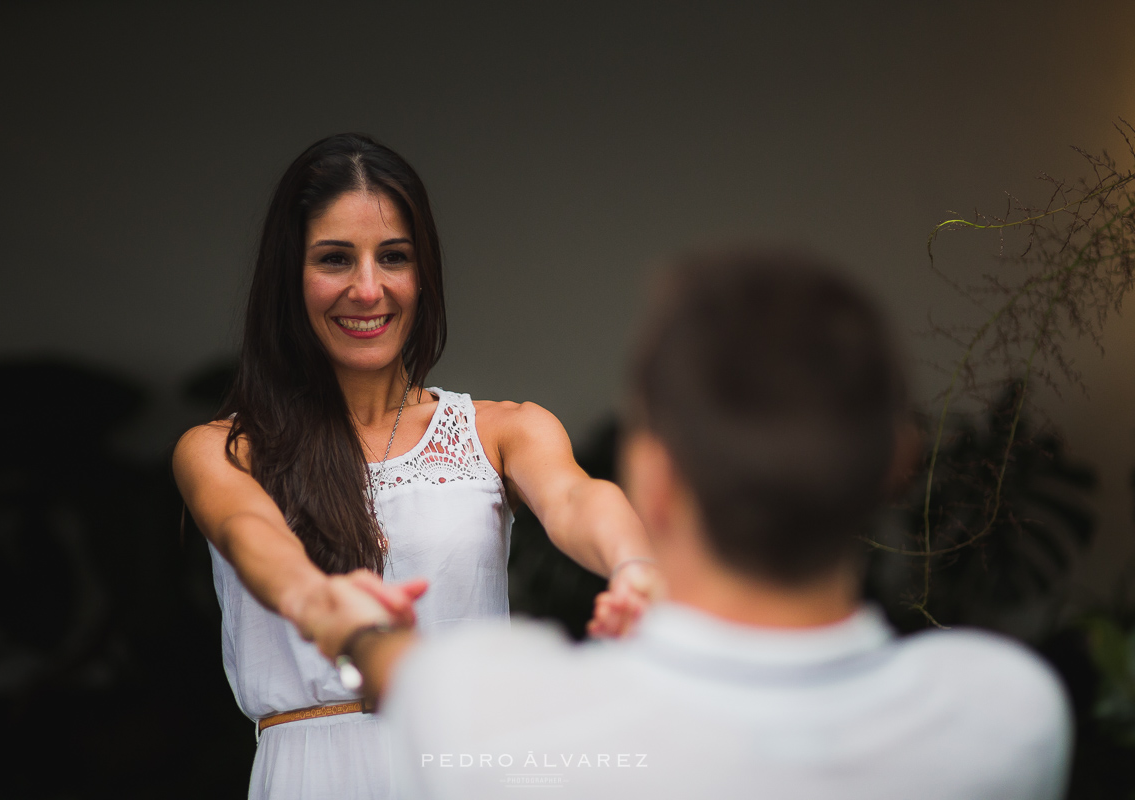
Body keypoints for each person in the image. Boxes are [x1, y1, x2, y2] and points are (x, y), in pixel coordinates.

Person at [310, 250, 1073, 799]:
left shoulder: (499, 716)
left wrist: (360, 633)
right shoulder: (1007, 712)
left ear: (654, 477)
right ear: (897, 463)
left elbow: (404, 670)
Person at [172, 133, 661, 800]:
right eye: (335, 259)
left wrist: (635, 564)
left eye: (393, 258)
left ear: (423, 271)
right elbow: (248, 533)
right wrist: (318, 600)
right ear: (291, 275)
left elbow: (578, 500)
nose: (367, 289)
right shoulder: (226, 449)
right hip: (312, 774)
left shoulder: (503, 431)